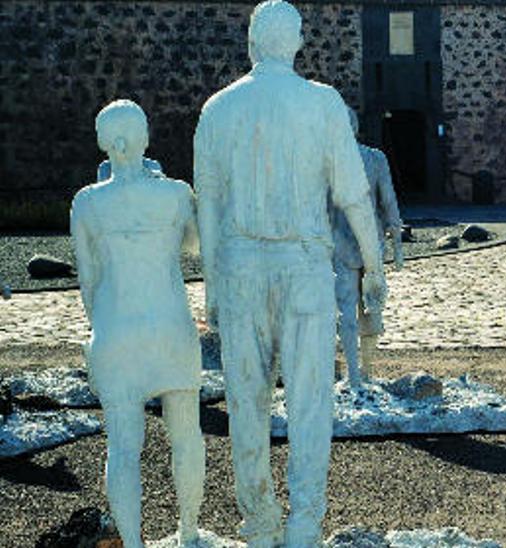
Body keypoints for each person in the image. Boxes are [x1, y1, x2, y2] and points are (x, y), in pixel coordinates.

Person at [193, 2, 387, 546]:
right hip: (303, 267)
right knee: (309, 401)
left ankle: (259, 520)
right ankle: (303, 521)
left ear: (252, 42)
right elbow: (352, 193)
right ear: (297, 43)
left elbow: (207, 203)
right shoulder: (322, 104)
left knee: (246, 401)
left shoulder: (219, 109)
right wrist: (372, 263)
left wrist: (210, 281)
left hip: (239, 269)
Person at [72, 100, 205, 548]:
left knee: (123, 448)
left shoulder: (87, 203)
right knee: (186, 435)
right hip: (170, 328)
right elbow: (197, 248)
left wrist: (101, 330)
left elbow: (89, 282)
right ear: (144, 137)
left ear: (103, 143)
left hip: (115, 332)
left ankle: (133, 542)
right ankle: (188, 532)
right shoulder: (175, 193)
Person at [332, 106, 404, 389]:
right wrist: (397, 244)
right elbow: (389, 203)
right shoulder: (375, 158)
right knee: (372, 307)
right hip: (370, 242)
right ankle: (365, 370)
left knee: (347, 308)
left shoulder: (327, 163)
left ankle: (354, 375)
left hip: (339, 242)